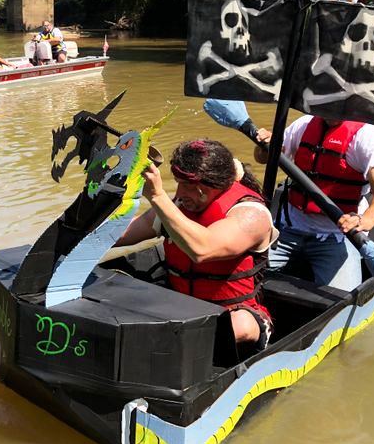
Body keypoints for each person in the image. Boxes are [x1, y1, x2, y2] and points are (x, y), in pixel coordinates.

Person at [116, 140, 278, 350]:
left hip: (234, 313)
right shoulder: (179, 206)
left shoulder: (252, 214)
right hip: (182, 309)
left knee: (242, 325)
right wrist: (82, 232)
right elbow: (126, 232)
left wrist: (156, 195)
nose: (180, 193)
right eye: (178, 183)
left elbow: (203, 249)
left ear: (213, 184)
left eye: (189, 186)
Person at [255, 117, 374, 292]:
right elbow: (262, 159)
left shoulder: (367, 134)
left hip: (337, 235)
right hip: (288, 229)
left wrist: (364, 220)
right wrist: (265, 145)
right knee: (242, 273)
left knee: (341, 298)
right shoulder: (305, 124)